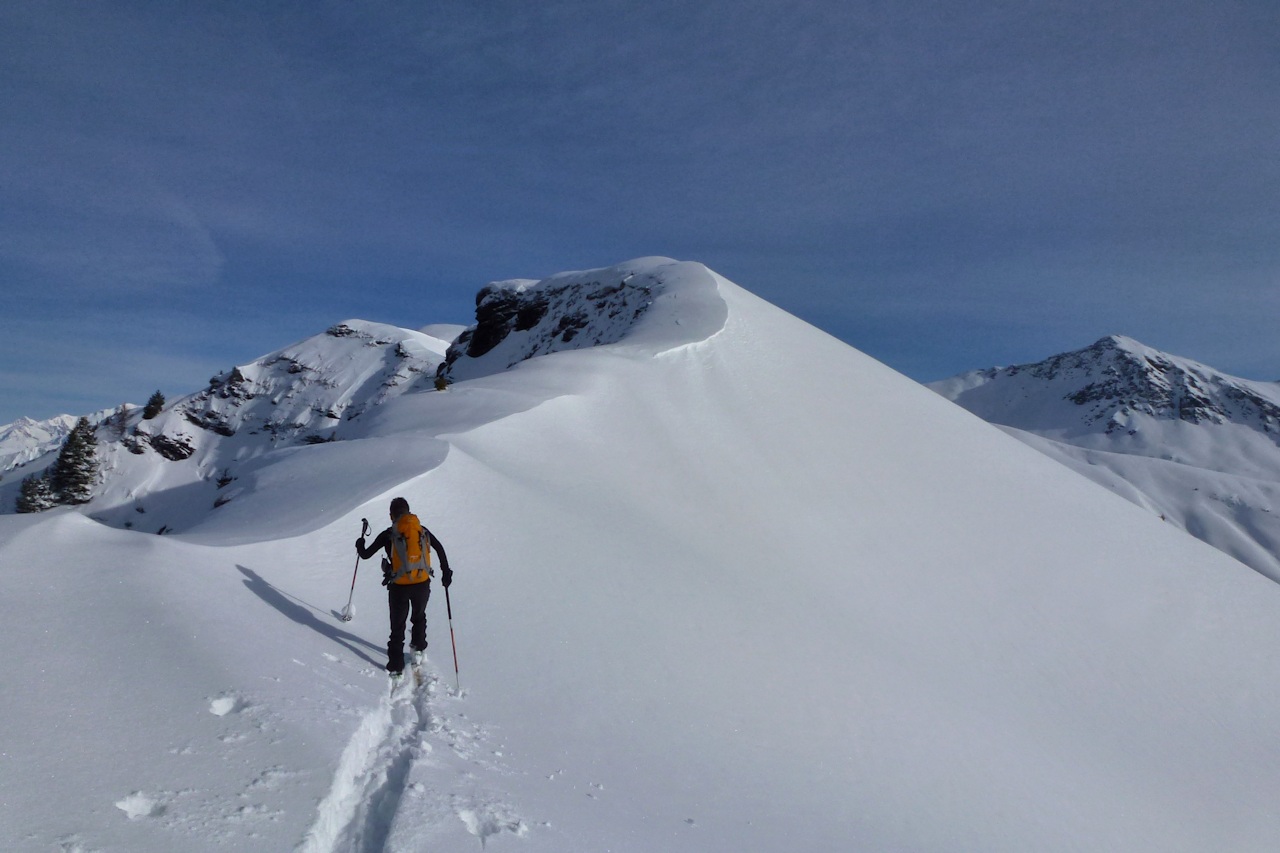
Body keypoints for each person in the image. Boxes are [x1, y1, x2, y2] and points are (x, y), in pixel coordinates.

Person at [356, 497, 452, 676]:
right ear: (409, 511)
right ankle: (418, 650)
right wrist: (446, 572)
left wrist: (360, 544)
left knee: (397, 627)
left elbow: (365, 554)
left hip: (399, 587)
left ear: (391, 515)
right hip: (422, 583)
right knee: (419, 617)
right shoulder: (422, 530)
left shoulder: (388, 534)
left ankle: (396, 667)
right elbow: (439, 548)